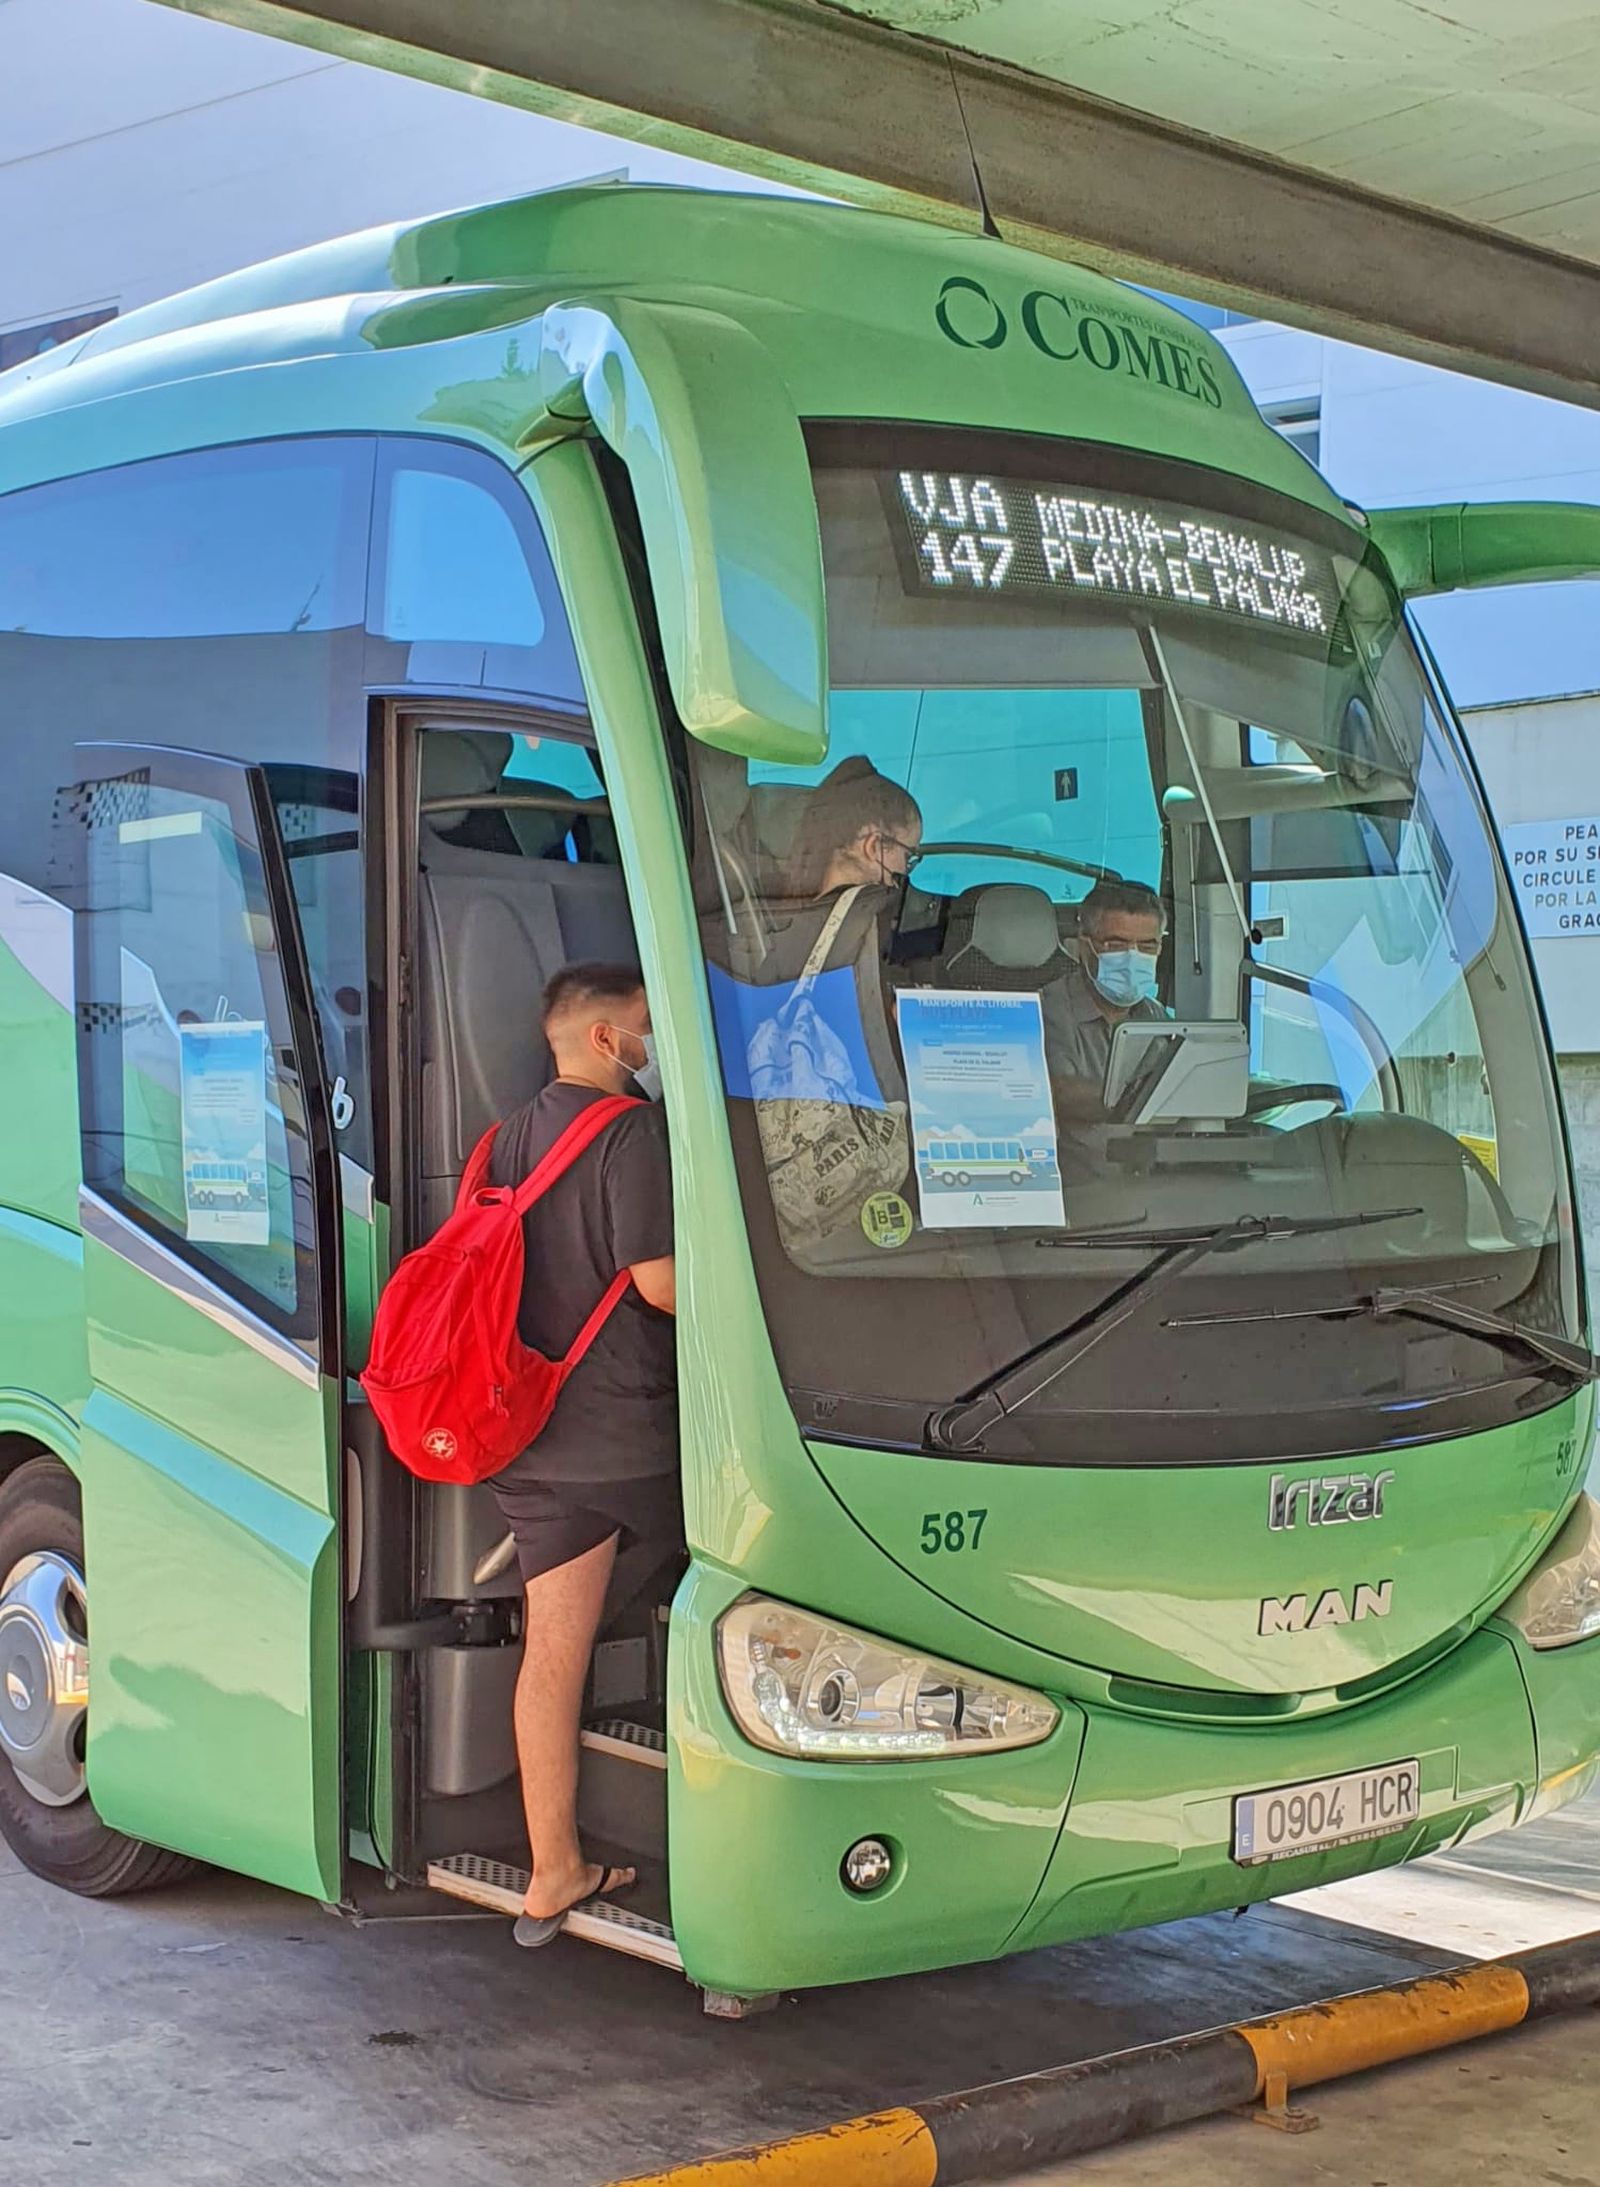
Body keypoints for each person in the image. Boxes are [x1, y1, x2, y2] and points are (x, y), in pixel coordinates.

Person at [486, 962, 680, 1945]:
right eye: (648, 1024)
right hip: (625, 1442)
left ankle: (553, 1867)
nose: (656, 1042)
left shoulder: (507, 1135)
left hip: (527, 1434)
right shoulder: (628, 1133)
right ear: (607, 1039)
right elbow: (661, 1286)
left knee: (551, 1656)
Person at [1045, 879, 1169, 1135]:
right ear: (1085, 946)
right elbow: (1060, 1094)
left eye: (1147, 946)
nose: (1133, 957)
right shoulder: (1047, 1010)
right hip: (1083, 1160)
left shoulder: (1156, 1017)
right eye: (1116, 945)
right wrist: (1155, 1098)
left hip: (1156, 1158)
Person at [783, 754, 923, 902]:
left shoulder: (784, 907)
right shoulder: (888, 915)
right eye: (907, 857)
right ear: (874, 846)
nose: (905, 871)